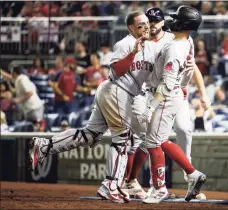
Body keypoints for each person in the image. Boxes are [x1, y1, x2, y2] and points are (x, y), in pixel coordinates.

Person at [29, 11, 153, 204]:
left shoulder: (150, 47)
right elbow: (117, 70)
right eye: (140, 25)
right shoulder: (126, 43)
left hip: (119, 93)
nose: (145, 27)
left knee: (89, 135)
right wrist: (134, 52)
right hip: (116, 90)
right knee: (123, 137)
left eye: (146, 24)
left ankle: (44, 146)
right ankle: (110, 184)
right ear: (131, 28)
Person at [137, 5, 210, 204]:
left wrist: (151, 106)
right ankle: (192, 174)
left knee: (153, 141)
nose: (173, 20)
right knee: (158, 140)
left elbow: (167, 83)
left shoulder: (176, 46)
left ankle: (160, 188)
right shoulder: (182, 41)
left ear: (184, 23)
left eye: (177, 18)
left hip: (166, 97)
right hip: (171, 94)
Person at [123, 7, 197, 197]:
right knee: (152, 139)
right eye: (150, 21)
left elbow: (176, 77)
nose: (153, 24)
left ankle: (169, 183)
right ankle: (143, 182)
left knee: (171, 134)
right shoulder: (175, 40)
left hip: (166, 93)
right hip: (153, 91)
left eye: (156, 20)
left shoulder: (176, 43)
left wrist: (152, 107)